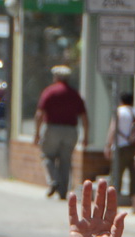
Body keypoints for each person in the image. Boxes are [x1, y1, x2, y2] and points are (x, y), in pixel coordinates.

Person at [33, 64, 86, 199]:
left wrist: (37, 133)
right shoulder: (75, 94)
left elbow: (39, 114)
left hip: (52, 128)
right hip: (71, 130)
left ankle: (53, 180)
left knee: (47, 156)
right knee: (65, 161)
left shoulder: (49, 92)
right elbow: (84, 117)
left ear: (56, 77)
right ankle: (63, 192)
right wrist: (86, 136)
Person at [105, 91, 135, 208]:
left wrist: (108, 145)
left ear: (121, 101)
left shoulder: (119, 111)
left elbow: (113, 129)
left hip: (121, 147)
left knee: (116, 175)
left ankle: (113, 204)